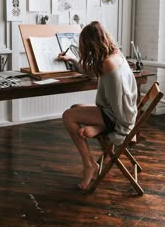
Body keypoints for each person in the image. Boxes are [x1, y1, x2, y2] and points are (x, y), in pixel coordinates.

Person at [57, 21, 138, 190]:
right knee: (75, 108)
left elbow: (115, 111)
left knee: (67, 115)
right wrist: (71, 60)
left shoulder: (107, 63)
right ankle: (98, 130)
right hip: (124, 112)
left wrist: (103, 126)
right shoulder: (115, 54)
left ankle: (89, 164)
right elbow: (93, 70)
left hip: (119, 119)